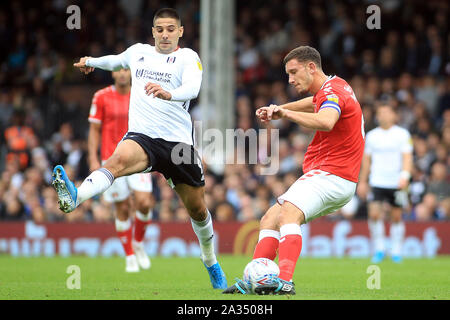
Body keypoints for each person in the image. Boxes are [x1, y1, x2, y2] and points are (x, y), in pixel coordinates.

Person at [52, 8, 227, 289]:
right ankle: (76, 197)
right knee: (115, 161)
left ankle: (211, 262)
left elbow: (193, 89)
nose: (165, 34)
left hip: (178, 145)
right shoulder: (138, 53)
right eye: (160, 29)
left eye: (171, 29)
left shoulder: (188, 57)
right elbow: (116, 61)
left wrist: (171, 93)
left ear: (180, 31)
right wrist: (92, 61)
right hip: (143, 137)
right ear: (153, 32)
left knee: (198, 210)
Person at [223, 46, 365, 295]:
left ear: (311, 67)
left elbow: (326, 120)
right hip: (332, 177)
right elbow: (314, 103)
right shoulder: (334, 88)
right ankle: (255, 278)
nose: (289, 79)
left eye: (293, 72)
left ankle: (284, 280)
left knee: (289, 213)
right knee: (269, 219)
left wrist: (286, 113)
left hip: (331, 174)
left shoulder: (332, 92)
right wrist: (280, 108)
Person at [88, 68, 154, 272]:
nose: (123, 73)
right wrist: (93, 159)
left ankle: (138, 243)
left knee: (144, 202)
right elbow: (94, 131)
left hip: (138, 155)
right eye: (118, 70)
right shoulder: (101, 96)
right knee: (122, 207)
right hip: (111, 158)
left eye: (126, 69)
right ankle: (129, 256)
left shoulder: (141, 94)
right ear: (113, 74)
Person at [357, 104, 413, 263]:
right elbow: (366, 161)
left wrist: (405, 175)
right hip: (377, 181)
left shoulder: (402, 134)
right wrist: (363, 182)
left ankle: (396, 251)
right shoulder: (372, 136)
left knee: (396, 217)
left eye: (386, 112)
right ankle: (379, 249)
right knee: (374, 214)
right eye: (380, 113)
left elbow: (407, 157)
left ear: (394, 116)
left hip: (397, 182)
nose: (382, 115)